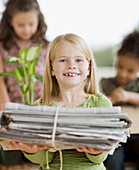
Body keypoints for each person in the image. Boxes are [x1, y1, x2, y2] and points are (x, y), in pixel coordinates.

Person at [10, 33, 112, 170]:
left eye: (79, 60)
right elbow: (45, 159)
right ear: (52, 69)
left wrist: (96, 150)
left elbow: (100, 158)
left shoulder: (101, 104)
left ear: (89, 68)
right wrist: (30, 150)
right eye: (63, 60)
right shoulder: (41, 107)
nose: (71, 65)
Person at [0, 0, 49, 166]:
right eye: (21, 24)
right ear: (10, 22)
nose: (26, 29)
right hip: (11, 109)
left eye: (31, 24)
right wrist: (5, 105)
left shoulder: (45, 46)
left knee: (37, 155)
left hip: (39, 110)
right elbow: (0, 78)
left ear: (39, 21)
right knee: (11, 157)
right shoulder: (3, 47)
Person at [100, 30, 139, 170]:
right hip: (116, 137)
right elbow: (96, 99)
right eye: (120, 67)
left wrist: (128, 96)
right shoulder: (106, 83)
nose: (122, 73)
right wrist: (106, 98)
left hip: (136, 138)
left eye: (130, 71)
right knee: (114, 151)